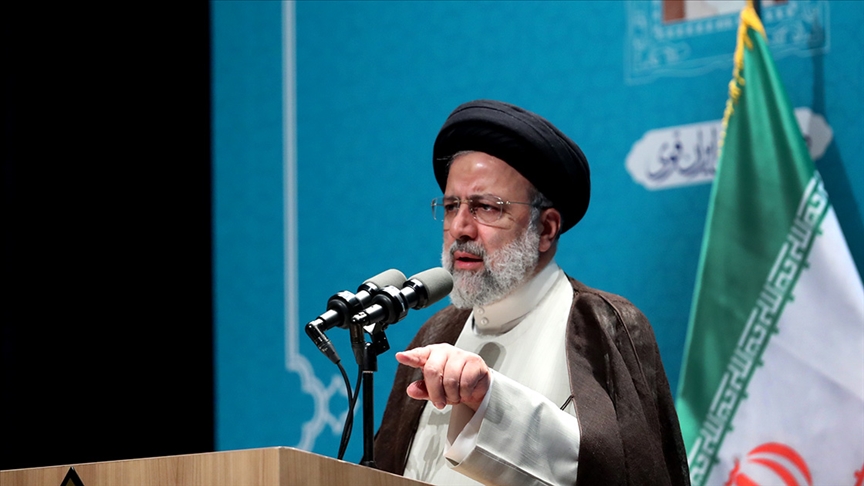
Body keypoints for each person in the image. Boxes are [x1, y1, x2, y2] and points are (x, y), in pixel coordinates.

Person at [373, 99, 689, 486]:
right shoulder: (437, 332)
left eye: (486, 207)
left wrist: (489, 401)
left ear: (546, 229)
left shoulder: (603, 325)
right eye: (452, 205)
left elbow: (625, 473)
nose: (460, 228)